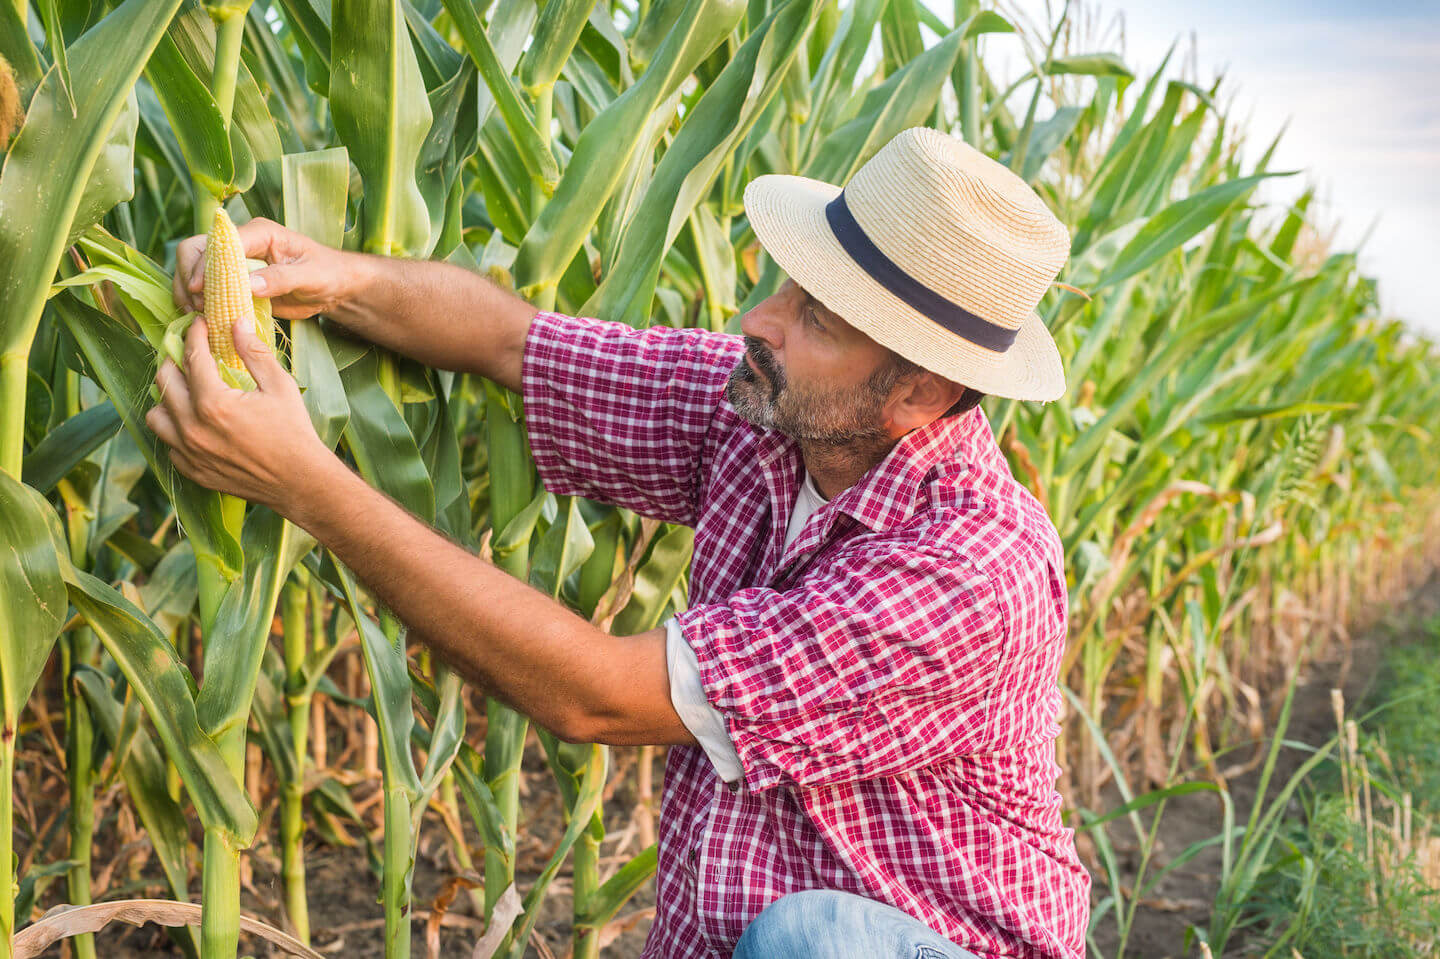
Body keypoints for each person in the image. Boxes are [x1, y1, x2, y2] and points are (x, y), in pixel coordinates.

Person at [149, 126, 1090, 959]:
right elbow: (520, 344)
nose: (755, 322)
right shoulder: (773, 411)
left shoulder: (968, 573)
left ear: (919, 394)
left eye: (816, 318)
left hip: (926, 940)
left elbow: (594, 695)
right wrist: (336, 277)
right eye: (786, 288)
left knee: (812, 941)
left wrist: (308, 484)